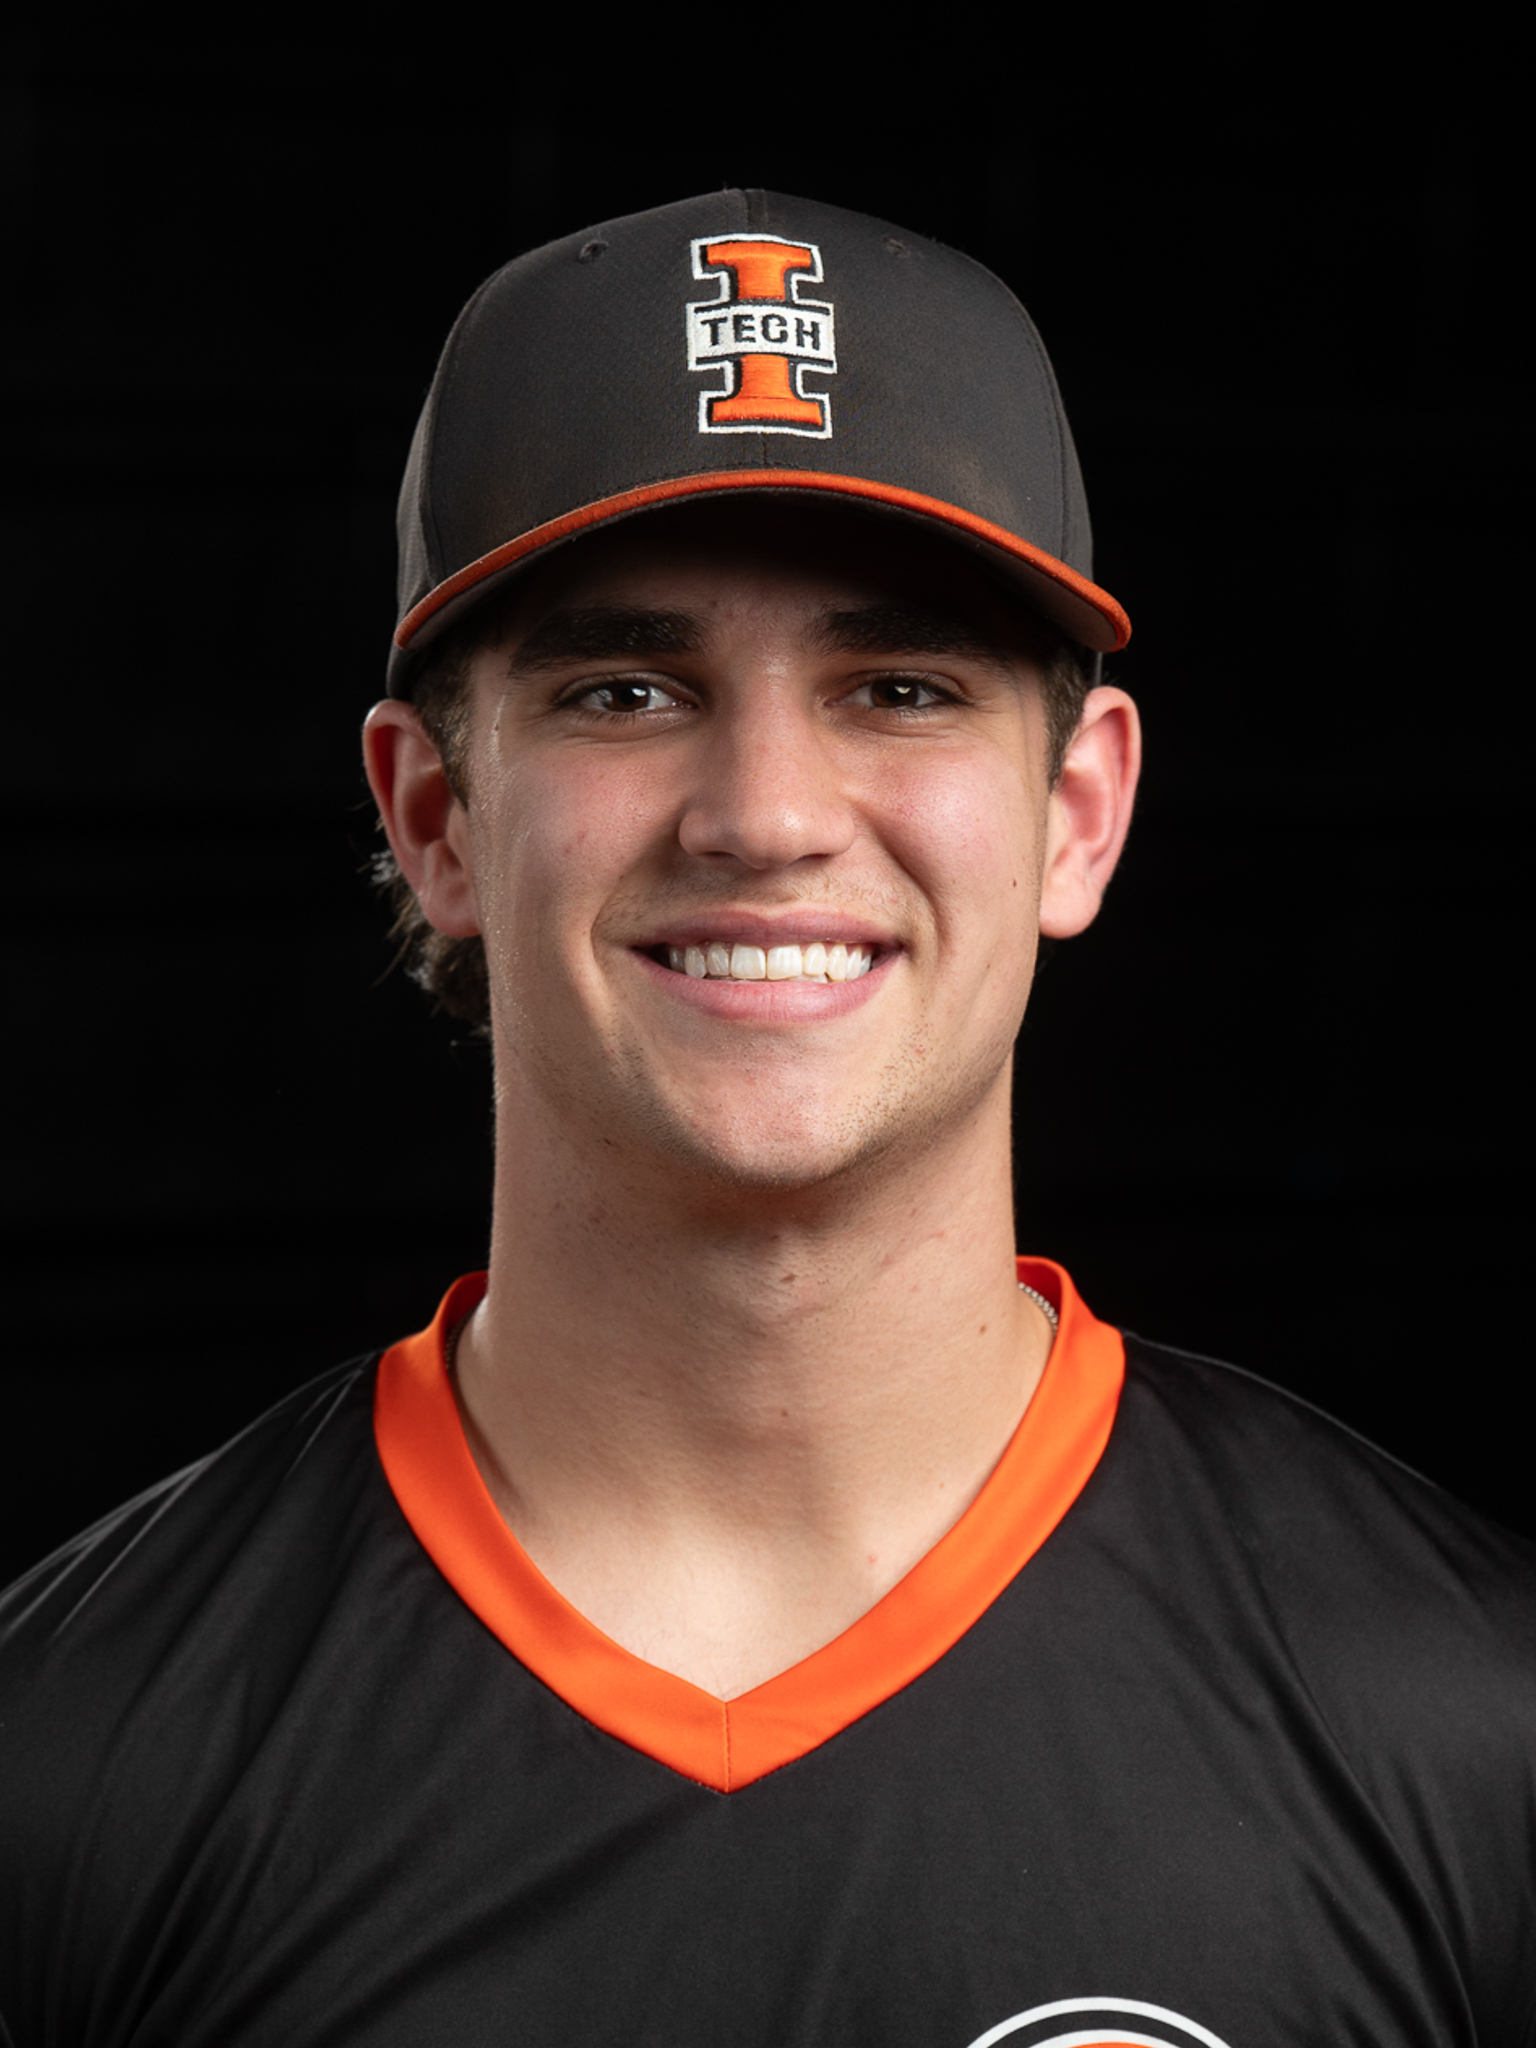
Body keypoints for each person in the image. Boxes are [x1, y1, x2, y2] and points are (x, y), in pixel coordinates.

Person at [2, 190, 1533, 2048]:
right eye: (626, 690)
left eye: (900, 688)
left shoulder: (1466, 1725)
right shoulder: (69, 1766)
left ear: (1079, 814)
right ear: (437, 821)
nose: (767, 814)